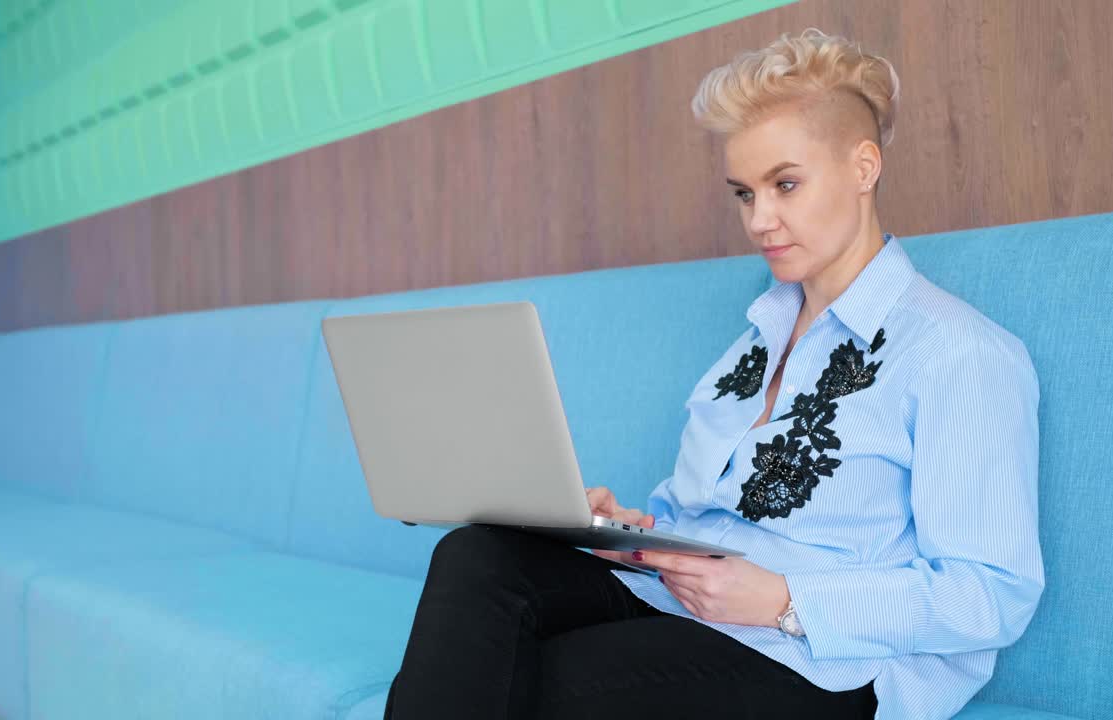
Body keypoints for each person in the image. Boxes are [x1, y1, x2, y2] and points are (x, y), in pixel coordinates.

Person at [384, 28, 1044, 720]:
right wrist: (627, 530)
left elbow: (990, 593)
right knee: (479, 556)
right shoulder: (749, 345)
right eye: (743, 193)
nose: (760, 220)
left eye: (785, 184)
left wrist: (785, 600)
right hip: (675, 600)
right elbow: (695, 514)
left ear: (863, 167)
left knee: (520, 680)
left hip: (815, 662)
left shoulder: (958, 353)